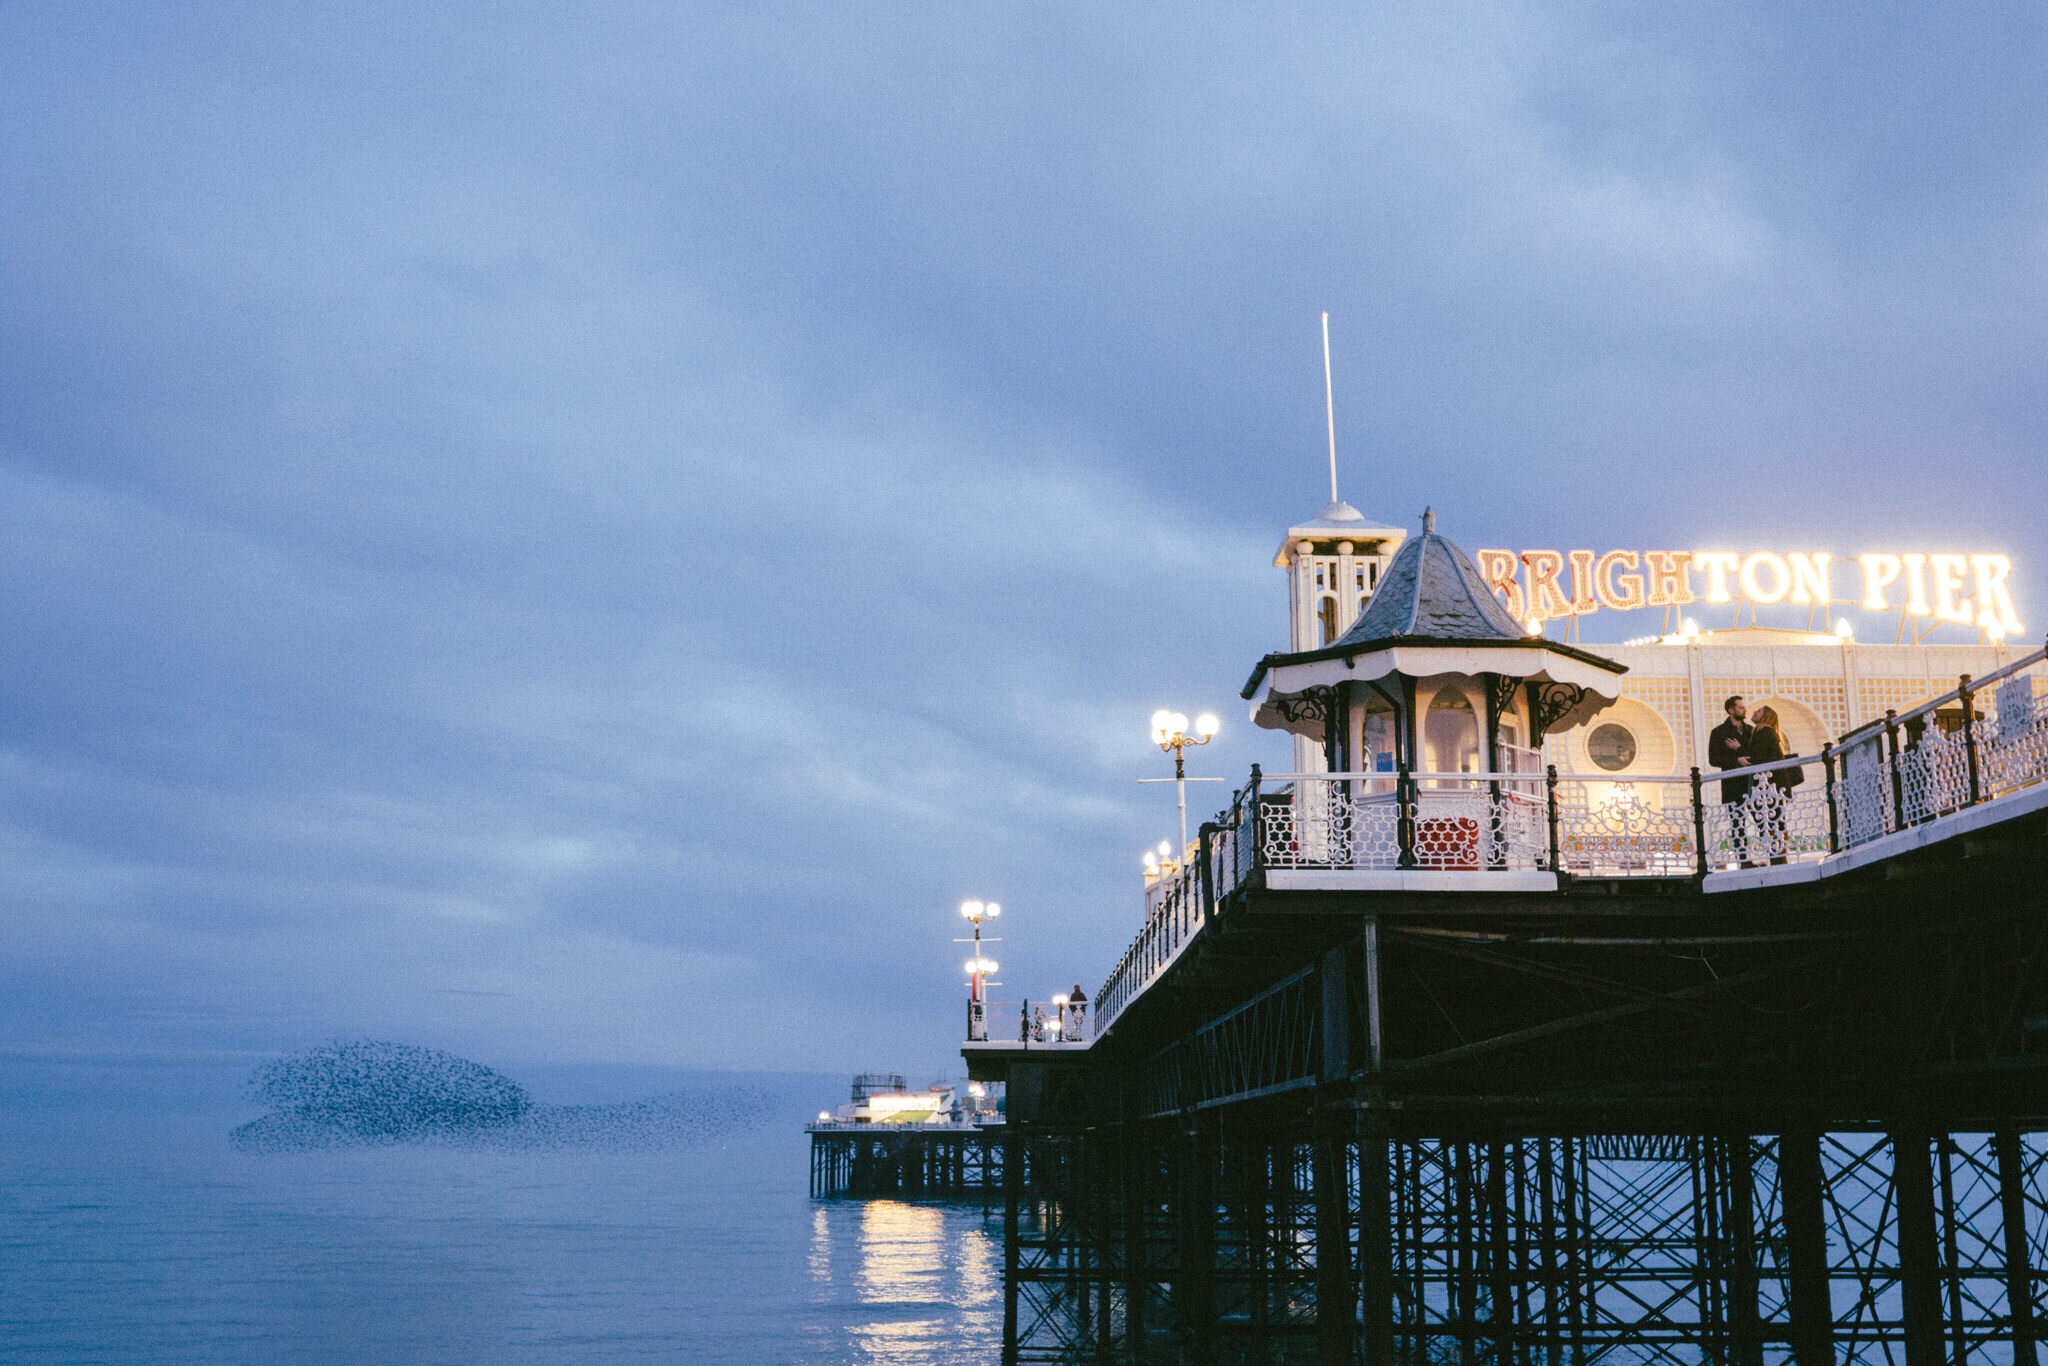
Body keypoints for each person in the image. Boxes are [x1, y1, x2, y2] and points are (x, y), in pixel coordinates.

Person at [1707, 695, 1755, 867]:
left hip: (1752, 782)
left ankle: (1774, 855)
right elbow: (1714, 759)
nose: (1745, 710)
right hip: (1733, 783)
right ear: (1731, 710)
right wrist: (1736, 761)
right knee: (1737, 822)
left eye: (1744, 707)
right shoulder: (1719, 732)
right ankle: (1744, 860)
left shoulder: (1751, 730)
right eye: (1741, 707)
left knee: (1759, 817)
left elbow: (1755, 753)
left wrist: (1739, 749)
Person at [1748, 706, 1794, 864]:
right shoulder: (1760, 732)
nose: (1754, 712)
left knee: (1773, 821)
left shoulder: (1765, 732)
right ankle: (1777, 856)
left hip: (1772, 786)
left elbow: (1757, 757)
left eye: (1759, 711)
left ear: (1765, 717)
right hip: (1771, 786)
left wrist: (1738, 749)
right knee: (1772, 820)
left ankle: (1779, 857)